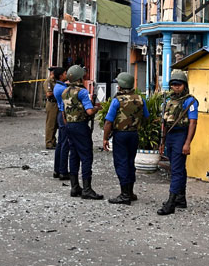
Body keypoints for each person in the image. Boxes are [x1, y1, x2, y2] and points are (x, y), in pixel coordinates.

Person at [102, 71, 149, 205]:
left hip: (120, 135)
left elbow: (108, 122)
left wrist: (105, 138)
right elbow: (146, 116)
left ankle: (124, 195)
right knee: (130, 162)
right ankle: (130, 192)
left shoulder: (117, 101)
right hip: (134, 134)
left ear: (121, 86)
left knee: (121, 162)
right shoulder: (140, 99)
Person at [157, 69, 198, 215]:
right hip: (170, 135)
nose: (176, 87)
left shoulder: (190, 101)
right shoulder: (168, 100)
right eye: (173, 84)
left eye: (179, 84)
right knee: (178, 167)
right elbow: (163, 121)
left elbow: (193, 123)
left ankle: (171, 202)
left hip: (181, 135)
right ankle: (180, 198)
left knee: (176, 170)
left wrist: (187, 143)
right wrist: (162, 141)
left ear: (184, 85)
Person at [61, 65, 103, 200]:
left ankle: (74, 187)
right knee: (86, 156)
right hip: (80, 126)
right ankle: (87, 189)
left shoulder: (64, 92)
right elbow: (89, 111)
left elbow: (63, 112)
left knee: (73, 155)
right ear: (80, 77)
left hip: (69, 125)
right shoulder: (82, 92)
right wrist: (97, 108)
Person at [52, 67, 70, 180]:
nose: (66, 74)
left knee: (60, 143)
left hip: (60, 114)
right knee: (65, 144)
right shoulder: (62, 89)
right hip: (64, 115)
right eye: (64, 73)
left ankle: (57, 169)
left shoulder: (59, 86)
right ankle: (63, 170)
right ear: (60, 76)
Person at [43, 67, 58, 149]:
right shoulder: (48, 82)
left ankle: (53, 141)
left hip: (56, 103)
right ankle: (48, 142)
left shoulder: (55, 81)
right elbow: (49, 93)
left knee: (55, 124)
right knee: (50, 124)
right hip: (51, 103)